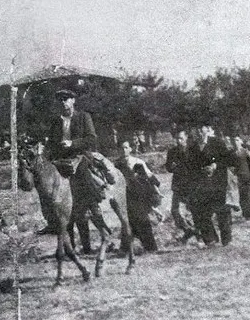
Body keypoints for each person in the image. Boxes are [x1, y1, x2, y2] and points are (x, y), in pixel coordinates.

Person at [38, 89, 112, 235]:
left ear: (73, 101)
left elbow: (91, 138)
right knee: (44, 185)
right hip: (60, 160)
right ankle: (51, 221)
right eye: (60, 99)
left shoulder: (83, 117)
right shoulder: (56, 121)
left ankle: (94, 208)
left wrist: (72, 143)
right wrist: (46, 148)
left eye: (66, 99)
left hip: (80, 157)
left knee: (84, 179)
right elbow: (52, 143)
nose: (63, 102)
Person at [187, 124, 234, 247]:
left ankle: (226, 239)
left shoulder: (217, 142)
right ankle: (210, 239)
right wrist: (200, 171)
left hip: (218, 181)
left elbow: (228, 159)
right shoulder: (192, 147)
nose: (198, 131)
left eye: (200, 128)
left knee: (221, 210)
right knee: (202, 211)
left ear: (206, 129)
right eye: (195, 129)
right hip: (202, 183)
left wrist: (215, 165)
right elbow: (190, 166)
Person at [115, 140, 160, 252]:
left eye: (126, 147)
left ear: (130, 149)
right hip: (125, 197)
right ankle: (126, 249)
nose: (123, 150)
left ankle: (151, 248)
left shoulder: (138, 162)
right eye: (121, 148)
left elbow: (150, 177)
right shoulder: (117, 165)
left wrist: (156, 191)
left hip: (140, 196)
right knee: (127, 222)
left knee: (143, 220)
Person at [165, 129, 196, 241]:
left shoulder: (193, 150)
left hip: (191, 185)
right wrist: (171, 167)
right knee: (175, 210)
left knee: (194, 209)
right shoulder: (172, 151)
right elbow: (168, 167)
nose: (178, 141)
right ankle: (187, 229)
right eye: (177, 138)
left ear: (186, 137)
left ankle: (199, 232)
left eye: (181, 138)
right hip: (178, 184)